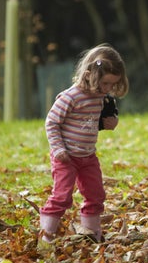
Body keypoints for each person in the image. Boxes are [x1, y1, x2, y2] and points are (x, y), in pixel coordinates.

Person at [39, 43, 129, 243]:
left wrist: (111, 123)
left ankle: (91, 234)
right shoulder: (70, 97)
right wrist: (58, 148)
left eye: (112, 85)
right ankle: (46, 235)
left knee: (96, 195)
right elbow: (52, 122)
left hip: (88, 156)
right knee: (62, 196)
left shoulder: (102, 98)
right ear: (89, 74)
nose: (107, 89)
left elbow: (92, 122)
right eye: (105, 83)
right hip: (66, 156)